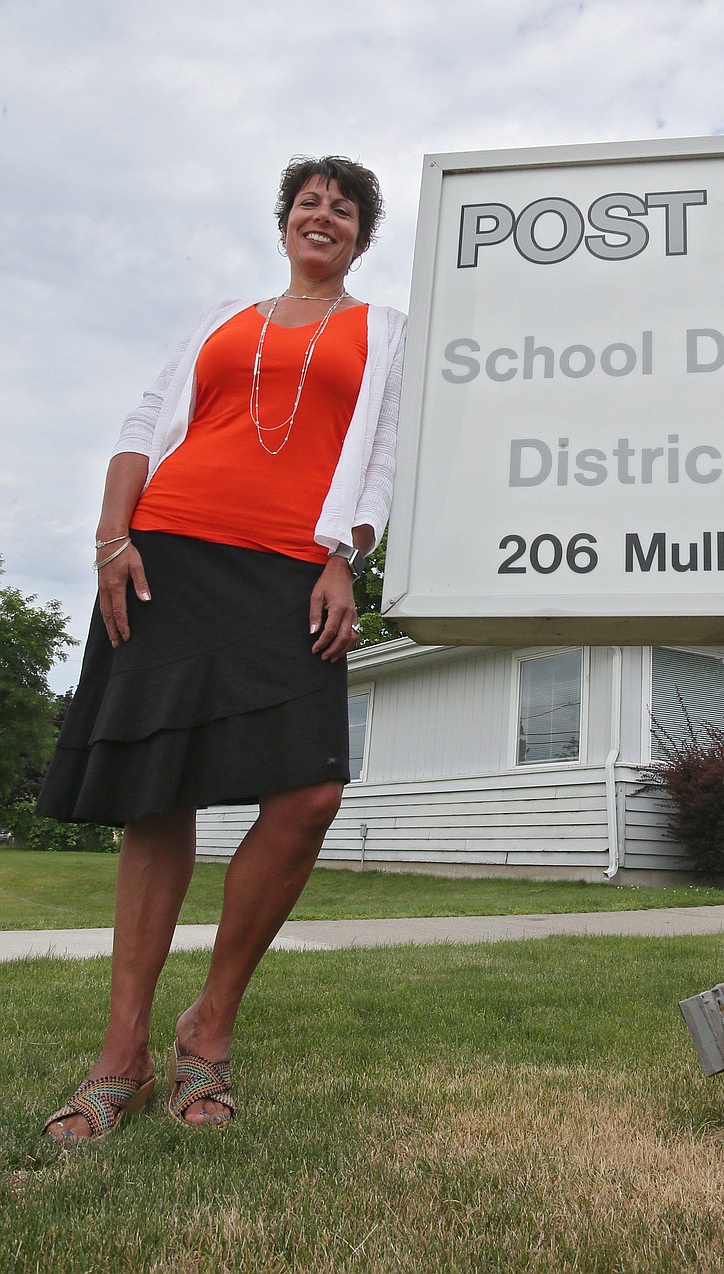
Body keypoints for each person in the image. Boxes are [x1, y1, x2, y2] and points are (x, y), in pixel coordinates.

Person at [37, 155, 407, 1139]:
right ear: (285, 223)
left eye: (343, 207)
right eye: (308, 202)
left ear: (360, 236)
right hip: (168, 556)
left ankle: (209, 1026)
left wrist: (345, 556)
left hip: (290, 570)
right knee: (157, 798)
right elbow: (142, 427)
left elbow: (383, 457)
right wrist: (112, 539)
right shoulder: (219, 321)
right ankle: (123, 1055)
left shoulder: (385, 333)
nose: (322, 215)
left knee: (311, 793)